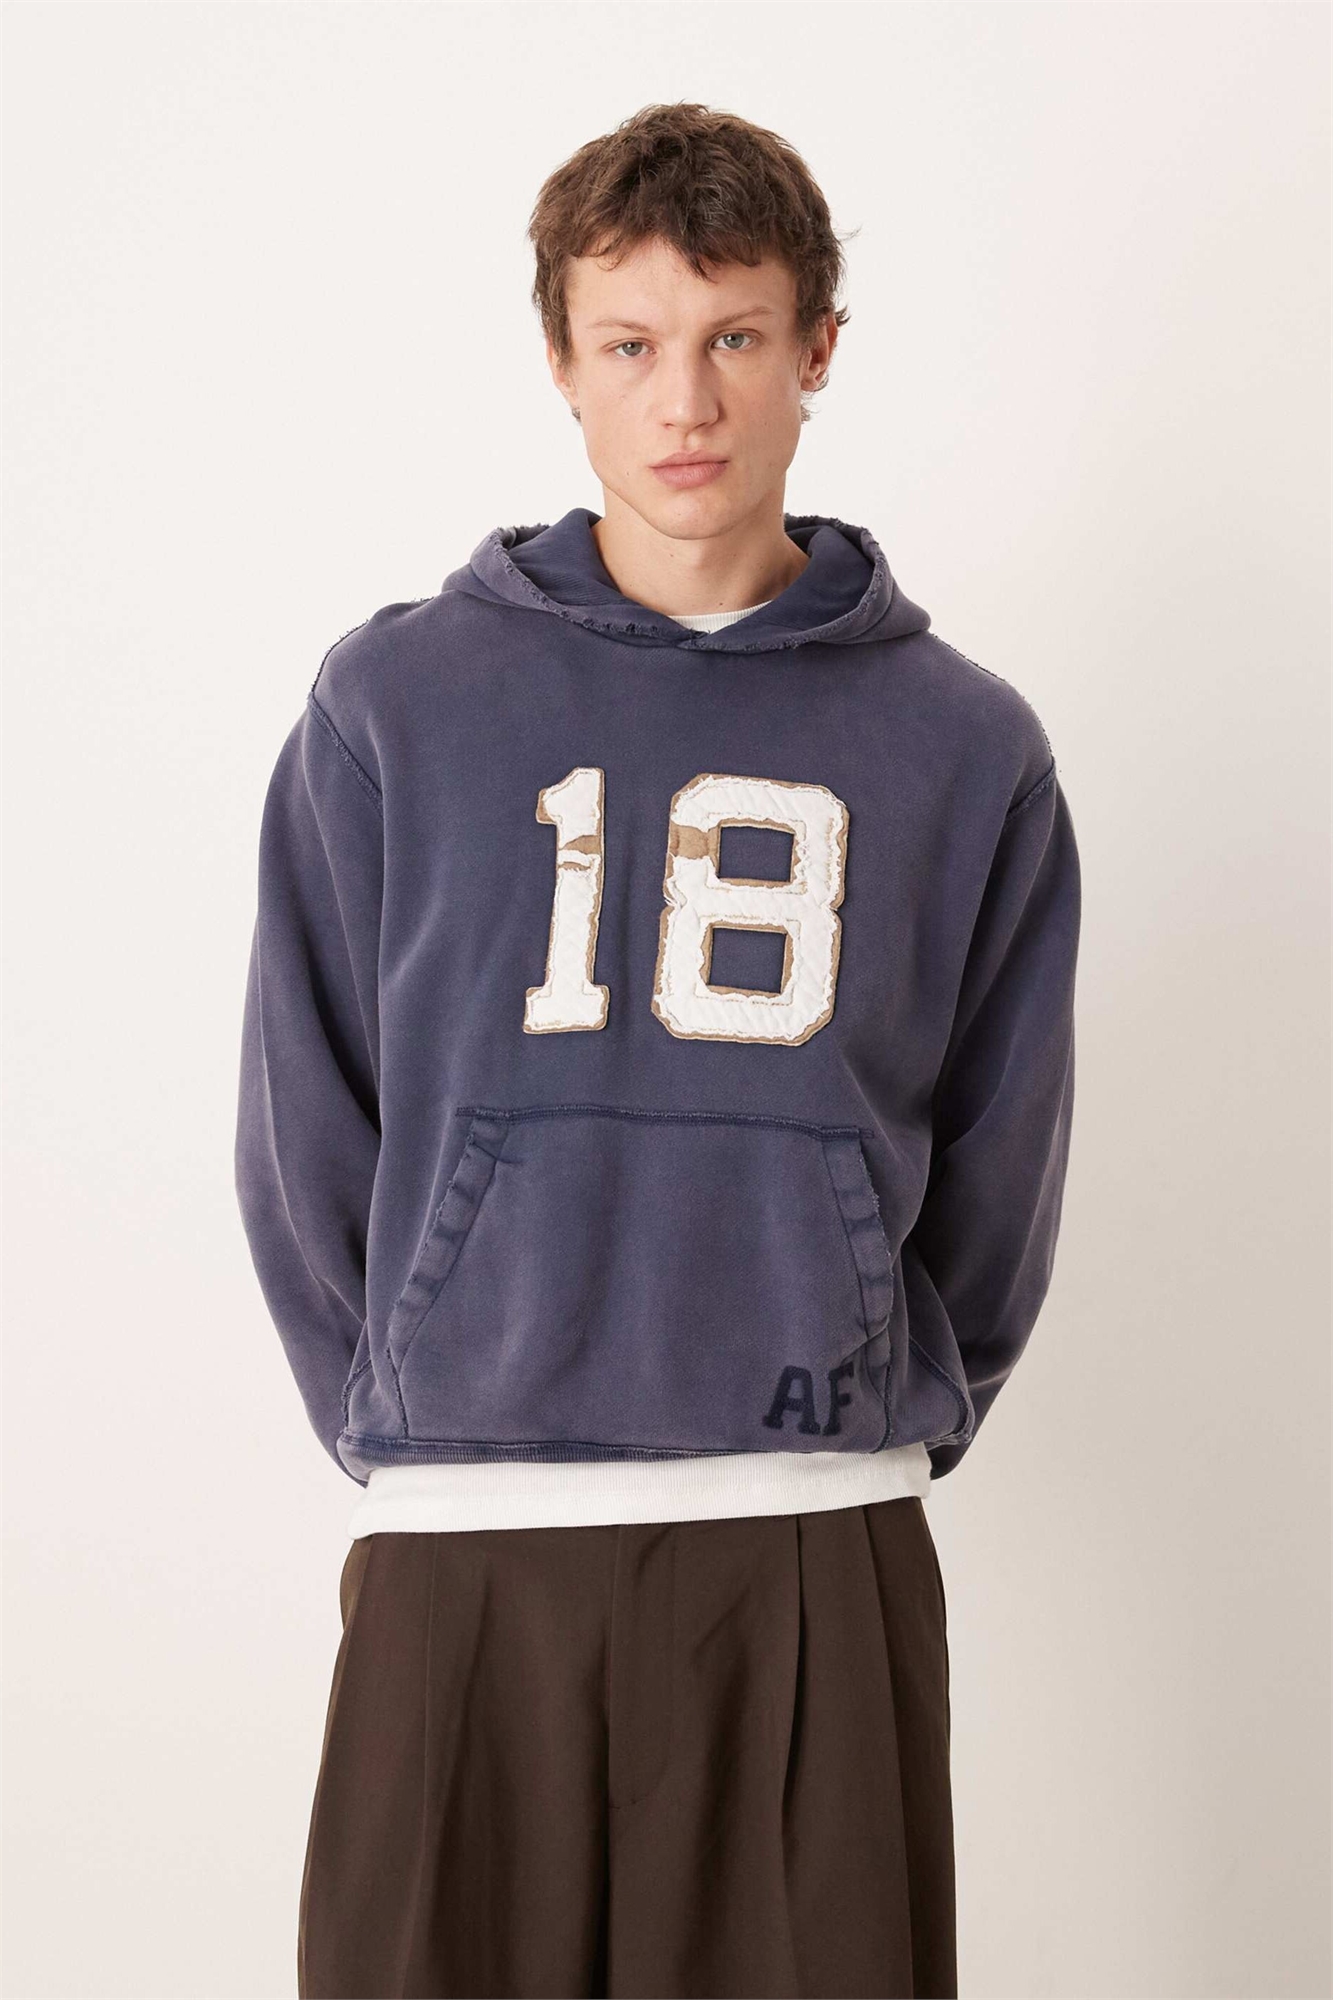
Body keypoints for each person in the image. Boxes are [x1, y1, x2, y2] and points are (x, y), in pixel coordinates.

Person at [234, 100, 1081, 2000]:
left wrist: (862, 1377)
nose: (683, 401)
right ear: (560, 359)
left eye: (734, 336)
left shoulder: (964, 744)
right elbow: (306, 1120)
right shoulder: (394, 706)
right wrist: (428, 1380)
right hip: (472, 1538)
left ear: (817, 348)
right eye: (629, 343)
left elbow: (1000, 1169)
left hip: (807, 1534)